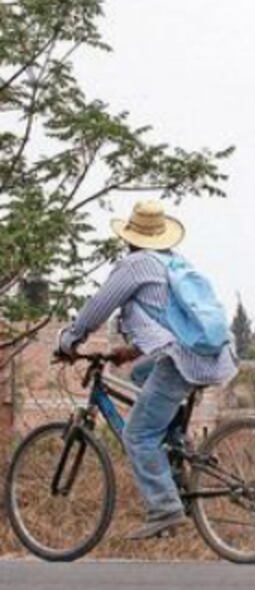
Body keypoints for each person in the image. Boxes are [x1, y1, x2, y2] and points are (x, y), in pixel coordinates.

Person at [57, 200, 238, 540]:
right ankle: (173, 444)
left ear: (131, 236)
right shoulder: (174, 262)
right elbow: (168, 319)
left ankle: (165, 508)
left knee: (138, 435)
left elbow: (98, 307)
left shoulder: (136, 264)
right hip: (211, 354)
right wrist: (130, 351)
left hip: (181, 361)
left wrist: (70, 339)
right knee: (141, 375)